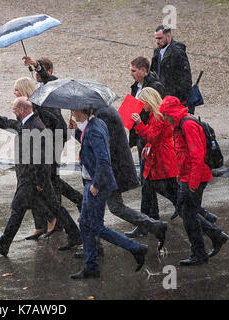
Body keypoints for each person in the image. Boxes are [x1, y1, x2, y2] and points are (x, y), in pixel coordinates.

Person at [131, 88, 228, 256]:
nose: (140, 105)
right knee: (183, 208)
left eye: (143, 101)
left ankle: (207, 238)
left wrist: (192, 182)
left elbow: (194, 155)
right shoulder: (168, 119)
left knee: (186, 211)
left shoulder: (173, 121)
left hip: (172, 170)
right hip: (172, 170)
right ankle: (209, 235)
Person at [69, 102, 168, 255]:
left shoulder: (101, 116)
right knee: (99, 212)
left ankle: (150, 230)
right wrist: (77, 131)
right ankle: (153, 227)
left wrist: (97, 180)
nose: (72, 111)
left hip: (111, 171)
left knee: (110, 209)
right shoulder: (103, 111)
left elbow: (101, 148)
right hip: (111, 169)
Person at [68, 108, 148, 279]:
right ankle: (91, 266)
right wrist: (75, 130)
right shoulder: (93, 124)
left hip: (97, 185)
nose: (71, 112)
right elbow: (88, 146)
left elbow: (103, 160)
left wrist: (96, 184)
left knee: (96, 226)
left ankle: (136, 248)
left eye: (73, 110)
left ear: (82, 110)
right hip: (91, 183)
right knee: (84, 222)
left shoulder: (94, 129)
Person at [0, 97, 61, 256]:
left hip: (29, 178)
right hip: (28, 176)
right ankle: (68, 229)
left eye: (15, 109)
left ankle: (3, 243)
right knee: (48, 205)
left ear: (22, 110)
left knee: (17, 209)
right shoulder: (26, 123)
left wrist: (39, 182)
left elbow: (40, 160)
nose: (13, 112)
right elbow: (8, 123)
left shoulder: (34, 127)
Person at [12, 77, 82, 250]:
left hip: (48, 153)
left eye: (16, 90)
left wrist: (50, 148)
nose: (14, 93)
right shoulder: (29, 108)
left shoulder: (42, 107)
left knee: (48, 185)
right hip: (43, 153)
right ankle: (46, 222)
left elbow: (58, 128)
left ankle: (57, 220)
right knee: (48, 184)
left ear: (24, 91)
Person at [159, 96, 229, 265]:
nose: (164, 119)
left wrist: (192, 182)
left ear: (171, 113)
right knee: (186, 212)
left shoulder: (187, 125)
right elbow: (184, 154)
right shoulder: (180, 124)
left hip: (194, 177)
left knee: (188, 215)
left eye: (165, 115)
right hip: (188, 175)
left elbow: (196, 156)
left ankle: (200, 253)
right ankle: (215, 236)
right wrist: (181, 173)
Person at [22, 56, 84, 211]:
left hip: (56, 135)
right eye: (36, 71)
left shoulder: (53, 83)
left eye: (41, 70)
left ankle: (61, 209)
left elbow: (47, 77)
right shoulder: (38, 86)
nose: (37, 74)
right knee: (51, 176)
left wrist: (36, 65)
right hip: (47, 134)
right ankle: (72, 202)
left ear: (48, 71)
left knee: (51, 176)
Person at [126, 56, 166, 236]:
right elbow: (134, 110)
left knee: (151, 183)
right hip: (143, 136)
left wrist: (139, 125)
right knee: (148, 183)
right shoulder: (137, 87)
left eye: (134, 70)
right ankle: (152, 220)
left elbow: (155, 113)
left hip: (151, 137)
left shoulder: (155, 87)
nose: (131, 74)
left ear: (144, 70)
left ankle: (147, 222)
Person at [151, 25, 192, 110]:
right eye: (156, 38)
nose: (157, 41)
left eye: (160, 38)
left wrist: (179, 99)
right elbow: (153, 73)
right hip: (160, 97)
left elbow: (186, 79)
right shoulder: (157, 52)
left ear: (168, 36)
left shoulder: (177, 53)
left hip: (174, 99)